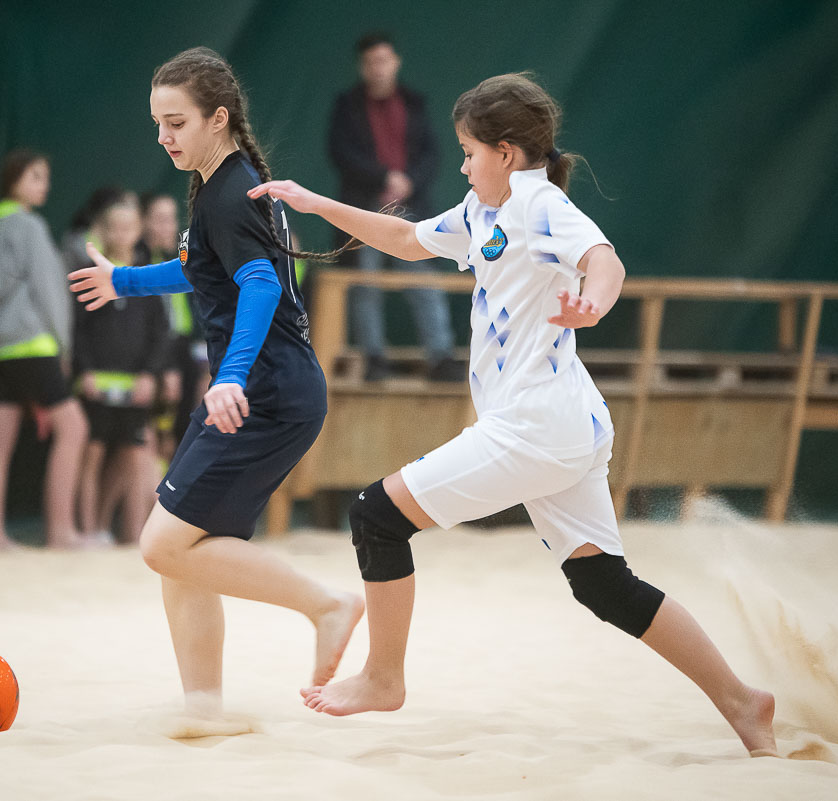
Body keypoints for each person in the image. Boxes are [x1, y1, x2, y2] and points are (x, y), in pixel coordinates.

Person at [249, 72, 779, 757]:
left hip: (537, 425)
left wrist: (593, 303)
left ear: (506, 153)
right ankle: (743, 701)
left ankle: (383, 677)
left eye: (469, 152)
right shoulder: (482, 209)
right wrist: (314, 201)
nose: (462, 165)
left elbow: (605, 261)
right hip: (563, 424)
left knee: (375, 515)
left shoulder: (538, 203)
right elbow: (407, 239)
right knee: (604, 584)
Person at [68, 47, 363, 729]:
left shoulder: (230, 193)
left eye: (176, 123)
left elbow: (258, 284)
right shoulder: (225, 183)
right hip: (265, 388)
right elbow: (201, 268)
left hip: (265, 392)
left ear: (218, 117)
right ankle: (204, 707)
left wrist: (229, 376)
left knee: (161, 544)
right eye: (157, 124)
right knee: (183, 555)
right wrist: (123, 280)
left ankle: (328, 605)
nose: (163, 137)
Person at [328, 32, 458, 382]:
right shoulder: (347, 106)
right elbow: (341, 153)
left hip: (411, 207)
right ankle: (373, 358)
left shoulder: (415, 103)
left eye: (384, 60)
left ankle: (441, 357)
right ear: (362, 67)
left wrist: (408, 182)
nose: (379, 68)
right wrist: (384, 178)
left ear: (396, 63)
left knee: (424, 280)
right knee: (366, 284)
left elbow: (431, 153)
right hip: (363, 209)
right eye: (371, 62)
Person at [0, 149, 89, 549]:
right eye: (36, 176)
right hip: (32, 344)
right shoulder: (28, 226)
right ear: (14, 181)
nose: (45, 185)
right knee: (74, 428)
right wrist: (64, 346)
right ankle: (61, 531)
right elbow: (50, 291)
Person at [73, 198, 170, 544]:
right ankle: (89, 530)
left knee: (131, 454)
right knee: (93, 452)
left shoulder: (147, 275)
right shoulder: (90, 271)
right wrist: (84, 371)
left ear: (138, 230)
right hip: (97, 382)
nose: (121, 234)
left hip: (135, 384)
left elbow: (160, 331)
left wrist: (150, 374)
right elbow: (78, 329)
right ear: (103, 230)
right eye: (114, 227)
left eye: (128, 227)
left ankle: (113, 527)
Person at [140, 192, 208, 458]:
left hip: (183, 347)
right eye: (160, 219)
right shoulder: (139, 263)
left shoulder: (179, 258)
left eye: (171, 219)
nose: (168, 227)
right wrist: (165, 366)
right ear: (143, 222)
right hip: (154, 354)